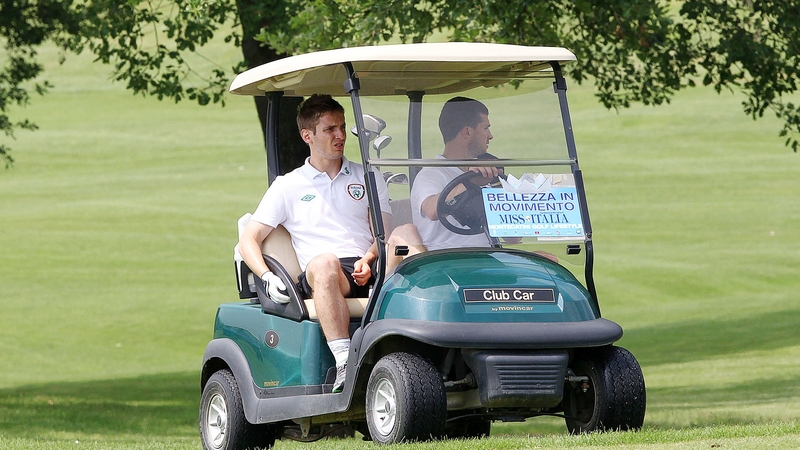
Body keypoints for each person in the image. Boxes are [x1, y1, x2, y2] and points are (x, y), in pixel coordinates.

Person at [238, 94, 392, 393]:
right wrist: (267, 277)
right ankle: (345, 360)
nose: (340, 136)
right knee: (325, 263)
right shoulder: (288, 185)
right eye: (330, 129)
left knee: (406, 236)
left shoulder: (367, 175)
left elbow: (383, 234)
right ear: (307, 135)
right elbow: (249, 240)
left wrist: (371, 258)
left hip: (371, 266)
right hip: (322, 273)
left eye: (343, 127)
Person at [410, 97, 501, 251]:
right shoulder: (431, 174)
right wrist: (469, 183)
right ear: (467, 132)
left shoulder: (486, 173)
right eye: (485, 128)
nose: (490, 135)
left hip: (489, 257)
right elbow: (432, 210)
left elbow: (513, 237)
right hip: (447, 261)